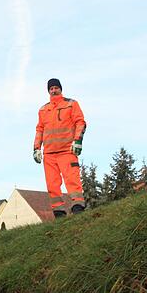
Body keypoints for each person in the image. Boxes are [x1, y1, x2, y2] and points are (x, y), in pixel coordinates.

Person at [33, 78, 87, 218]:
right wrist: (36, 148)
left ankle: (78, 205)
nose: (54, 90)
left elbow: (80, 122)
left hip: (67, 150)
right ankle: (58, 211)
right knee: (52, 184)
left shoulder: (71, 104)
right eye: (51, 88)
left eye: (56, 87)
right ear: (48, 91)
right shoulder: (43, 109)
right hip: (49, 153)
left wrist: (78, 140)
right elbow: (39, 129)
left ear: (60, 89)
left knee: (72, 179)